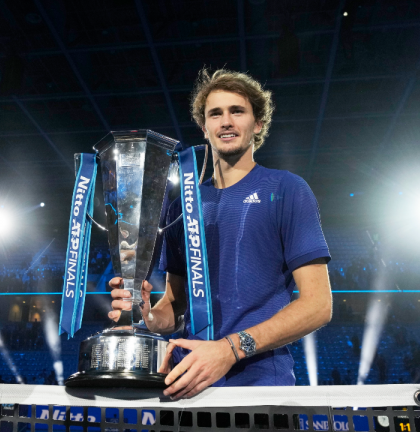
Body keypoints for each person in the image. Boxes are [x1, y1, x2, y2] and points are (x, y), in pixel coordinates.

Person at [110, 68, 332, 399]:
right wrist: (146, 314)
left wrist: (230, 349)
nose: (225, 121)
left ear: (257, 124)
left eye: (237, 111)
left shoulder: (286, 189)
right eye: (215, 114)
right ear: (204, 128)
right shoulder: (180, 207)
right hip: (186, 384)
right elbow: (176, 305)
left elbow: (318, 305)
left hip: (258, 388)